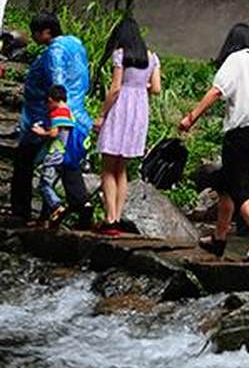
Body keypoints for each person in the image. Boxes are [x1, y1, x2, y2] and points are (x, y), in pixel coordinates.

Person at [179, 23, 249, 261]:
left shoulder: (235, 59)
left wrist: (190, 117)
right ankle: (219, 239)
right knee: (226, 184)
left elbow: (216, 91)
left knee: (239, 187)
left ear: (232, 42)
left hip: (240, 134)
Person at [11, 13, 92, 226]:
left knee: (26, 160)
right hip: (78, 114)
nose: (34, 36)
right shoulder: (75, 43)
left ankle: (22, 212)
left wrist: (51, 116)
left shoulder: (54, 51)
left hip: (51, 115)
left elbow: (57, 83)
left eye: (36, 32)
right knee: (66, 164)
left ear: (47, 32)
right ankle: (68, 209)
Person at [93, 17, 161, 235]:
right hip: (139, 111)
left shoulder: (120, 55)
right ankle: (118, 217)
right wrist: (141, 86)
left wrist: (102, 115)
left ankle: (110, 218)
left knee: (107, 166)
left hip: (120, 109)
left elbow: (114, 89)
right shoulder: (152, 57)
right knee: (121, 168)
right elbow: (157, 88)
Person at [31, 84, 73, 225]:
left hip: (54, 153)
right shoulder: (69, 111)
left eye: (47, 104)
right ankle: (46, 218)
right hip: (64, 153)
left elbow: (54, 133)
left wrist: (41, 132)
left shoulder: (58, 112)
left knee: (44, 184)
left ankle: (57, 206)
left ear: (51, 100)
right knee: (50, 184)